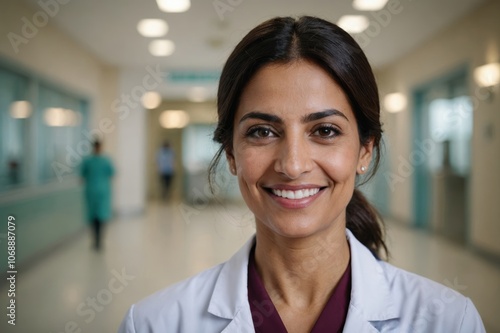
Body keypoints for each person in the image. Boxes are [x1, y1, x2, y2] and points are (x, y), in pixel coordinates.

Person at [118, 16, 485, 332]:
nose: (293, 166)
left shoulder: (449, 321)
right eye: (262, 131)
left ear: (365, 150)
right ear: (231, 153)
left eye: (325, 130)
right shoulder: (155, 323)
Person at [80, 140, 115, 250]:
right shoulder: (95, 161)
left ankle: (98, 240)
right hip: (98, 191)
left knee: (100, 216)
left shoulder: (102, 161)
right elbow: (111, 174)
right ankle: (96, 240)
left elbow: (83, 176)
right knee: (96, 217)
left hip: (97, 192)